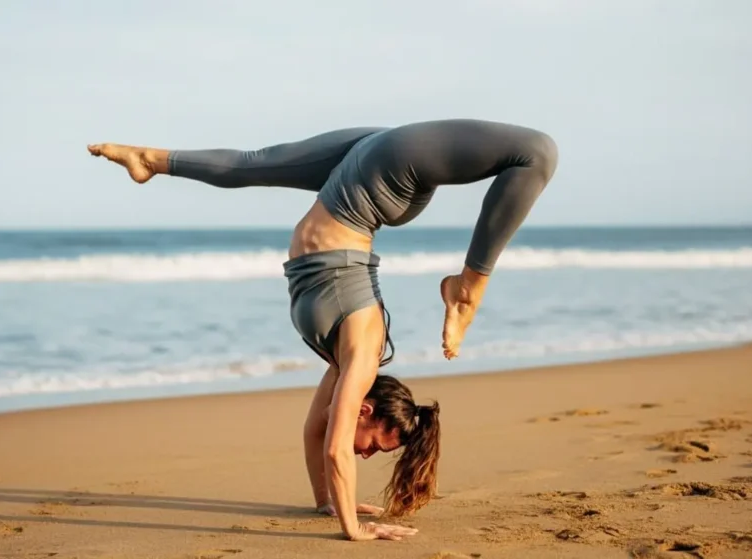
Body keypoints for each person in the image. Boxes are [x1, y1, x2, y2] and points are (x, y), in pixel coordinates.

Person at [87, 118, 559, 542]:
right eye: (375, 444)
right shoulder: (364, 354)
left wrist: (327, 502)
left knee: (258, 165)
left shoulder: (344, 361)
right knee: (536, 151)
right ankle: (467, 288)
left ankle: (150, 159)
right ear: (367, 409)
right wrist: (353, 529)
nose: (367, 455)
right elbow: (336, 450)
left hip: (371, 168)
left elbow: (316, 430)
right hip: (386, 169)